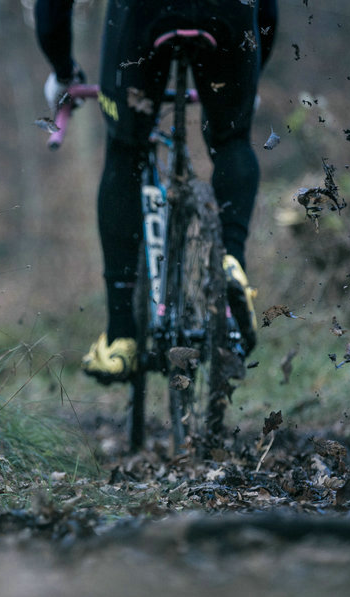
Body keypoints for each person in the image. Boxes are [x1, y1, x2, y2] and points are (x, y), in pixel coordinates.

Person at [35, 0, 277, 383]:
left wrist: (63, 70)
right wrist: (250, 79)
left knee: (125, 149)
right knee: (233, 140)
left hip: (144, 14)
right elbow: (267, 10)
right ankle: (232, 262)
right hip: (230, 12)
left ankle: (121, 338)